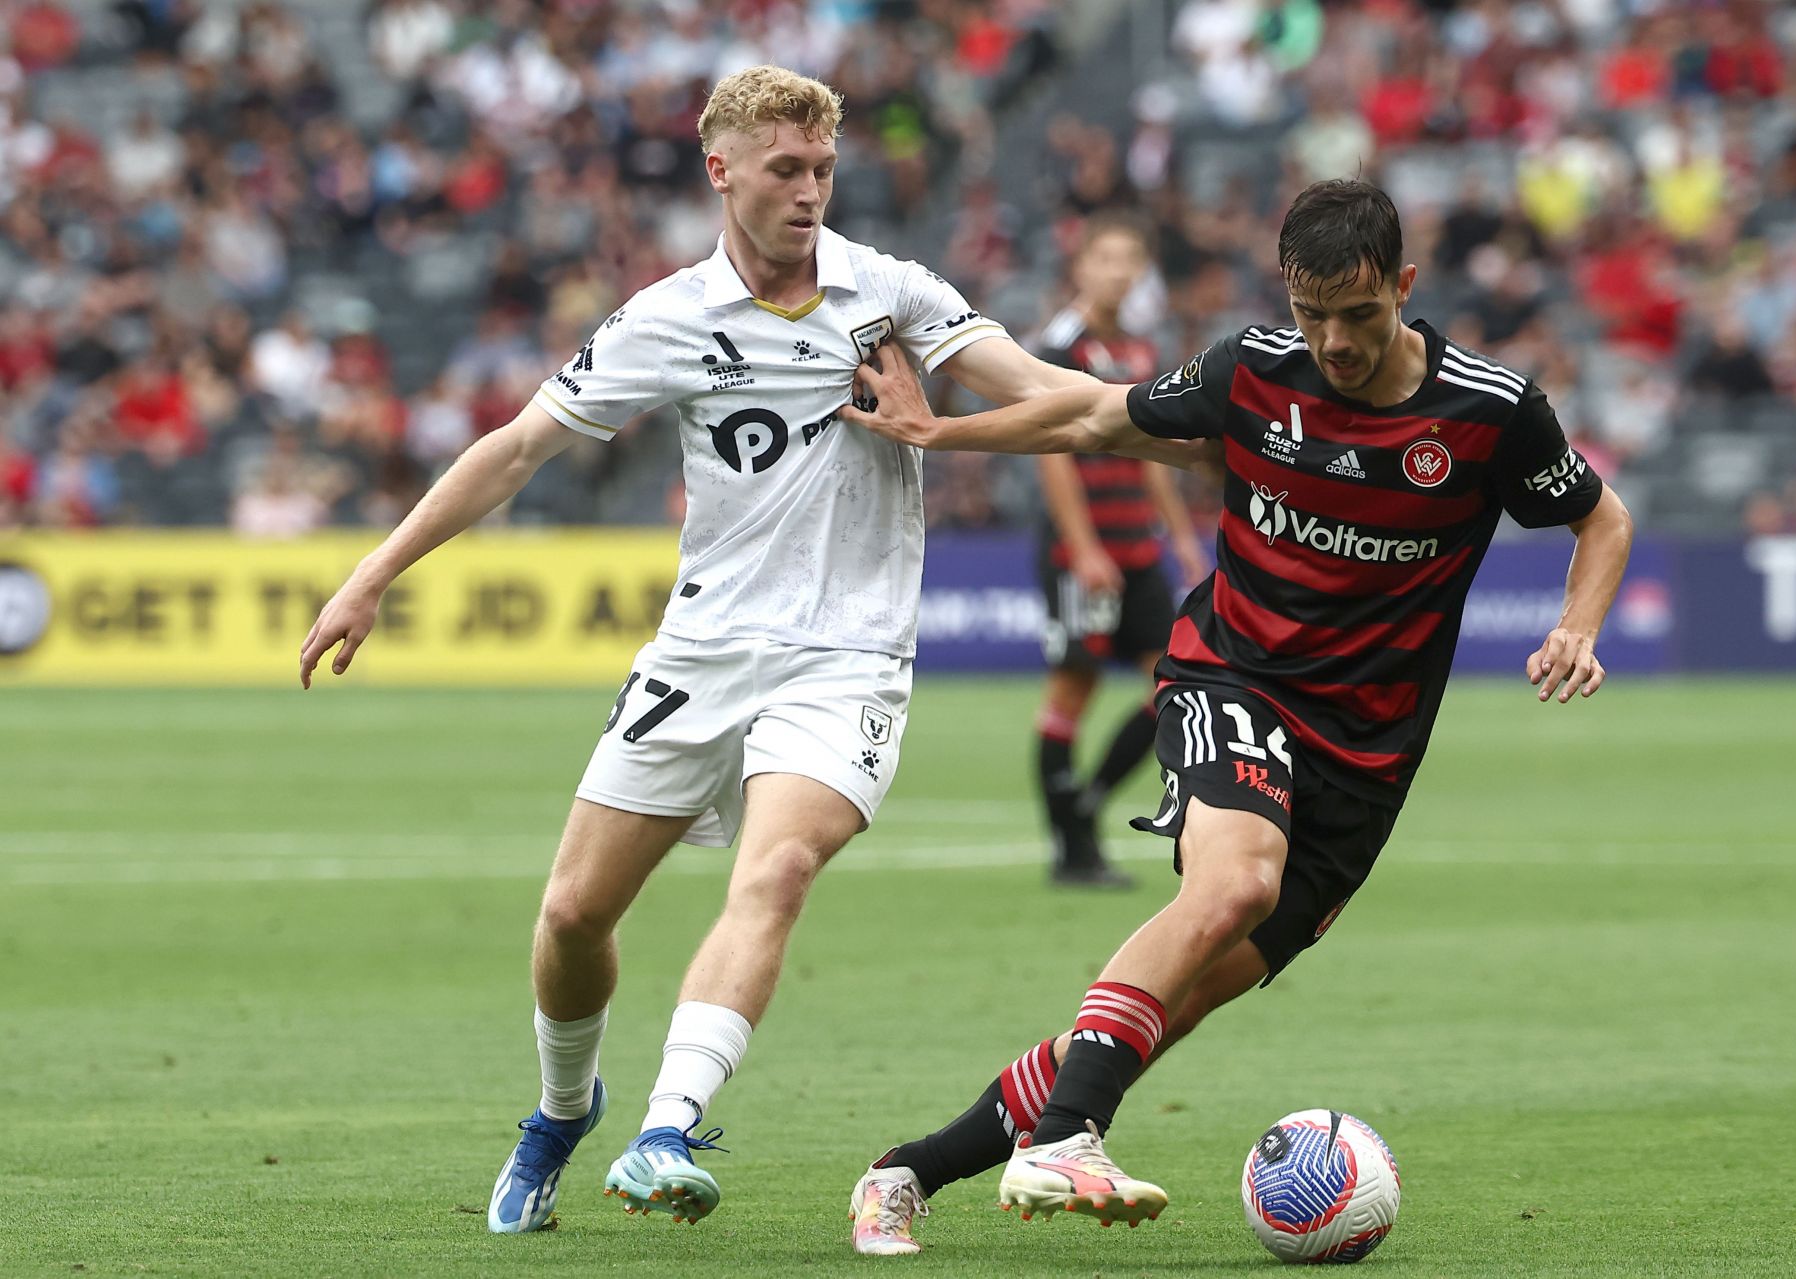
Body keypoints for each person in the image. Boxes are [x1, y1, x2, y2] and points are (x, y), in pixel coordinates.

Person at [296, 65, 1199, 1237]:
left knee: (774, 870)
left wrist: (1182, 425)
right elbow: (518, 449)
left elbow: (1059, 398)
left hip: (848, 657)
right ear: (720, 170)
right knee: (572, 915)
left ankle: (668, 1125)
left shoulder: (891, 296)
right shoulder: (669, 317)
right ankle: (565, 1111)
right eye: (786, 169)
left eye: (824, 170)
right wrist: (374, 571)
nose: (811, 191)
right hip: (705, 647)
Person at [836, 179, 1634, 1255]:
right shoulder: (1254, 369)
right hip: (1232, 674)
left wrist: (1578, 627)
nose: (1334, 341)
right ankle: (1067, 1135)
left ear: (1403, 286)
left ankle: (909, 1169)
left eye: (1358, 313)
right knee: (1234, 882)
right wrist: (938, 430)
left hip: (1366, 756)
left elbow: (1602, 518)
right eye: (1313, 313)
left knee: (1184, 995)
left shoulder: (1487, 411)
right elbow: (1090, 411)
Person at [1030, 217, 1207, 887]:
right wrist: (1082, 547)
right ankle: (1071, 849)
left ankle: (1087, 800)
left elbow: (1151, 450)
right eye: (1106, 257)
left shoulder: (1137, 347)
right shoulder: (1059, 344)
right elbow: (1051, 450)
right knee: (1072, 687)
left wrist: (1183, 539)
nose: (1119, 270)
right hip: (1087, 550)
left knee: (1172, 683)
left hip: (1138, 546)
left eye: (1130, 257)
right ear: (1081, 268)